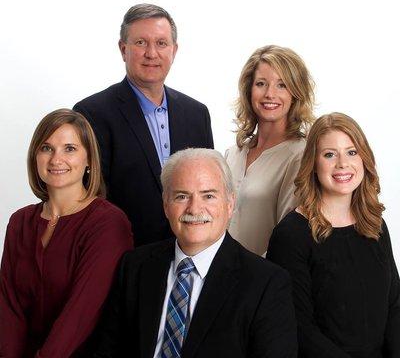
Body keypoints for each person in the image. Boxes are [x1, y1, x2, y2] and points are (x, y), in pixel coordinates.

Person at [93, 148, 297, 357]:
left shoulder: (266, 283)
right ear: (165, 205)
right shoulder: (135, 267)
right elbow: (107, 352)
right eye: (182, 196)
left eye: (208, 196)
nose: (194, 209)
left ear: (229, 203)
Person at [74, 3, 214, 247]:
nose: (152, 53)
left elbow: (209, 189)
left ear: (174, 50)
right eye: (141, 43)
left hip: (188, 254)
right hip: (122, 256)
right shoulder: (92, 113)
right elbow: (90, 198)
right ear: (123, 48)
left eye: (161, 43)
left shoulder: (196, 114)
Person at [0, 109, 133, 357]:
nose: (56, 159)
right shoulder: (20, 222)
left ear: (90, 160)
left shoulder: (108, 223)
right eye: (47, 148)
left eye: (69, 148)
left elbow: (81, 313)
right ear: (34, 157)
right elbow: (9, 308)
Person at [267, 113, 400, 358]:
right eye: (329, 154)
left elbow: (394, 307)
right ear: (313, 164)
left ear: (364, 159)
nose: (342, 164)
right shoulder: (291, 235)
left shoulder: (375, 224)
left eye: (352, 152)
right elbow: (299, 328)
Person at [225, 45, 315, 255]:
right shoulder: (233, 153)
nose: (269, 94)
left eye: (282, 85)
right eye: (261, 84)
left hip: (263, 279)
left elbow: (288, 237)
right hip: (218, 275)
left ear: (295, 93)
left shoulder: (300, 155)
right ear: (249, 90)